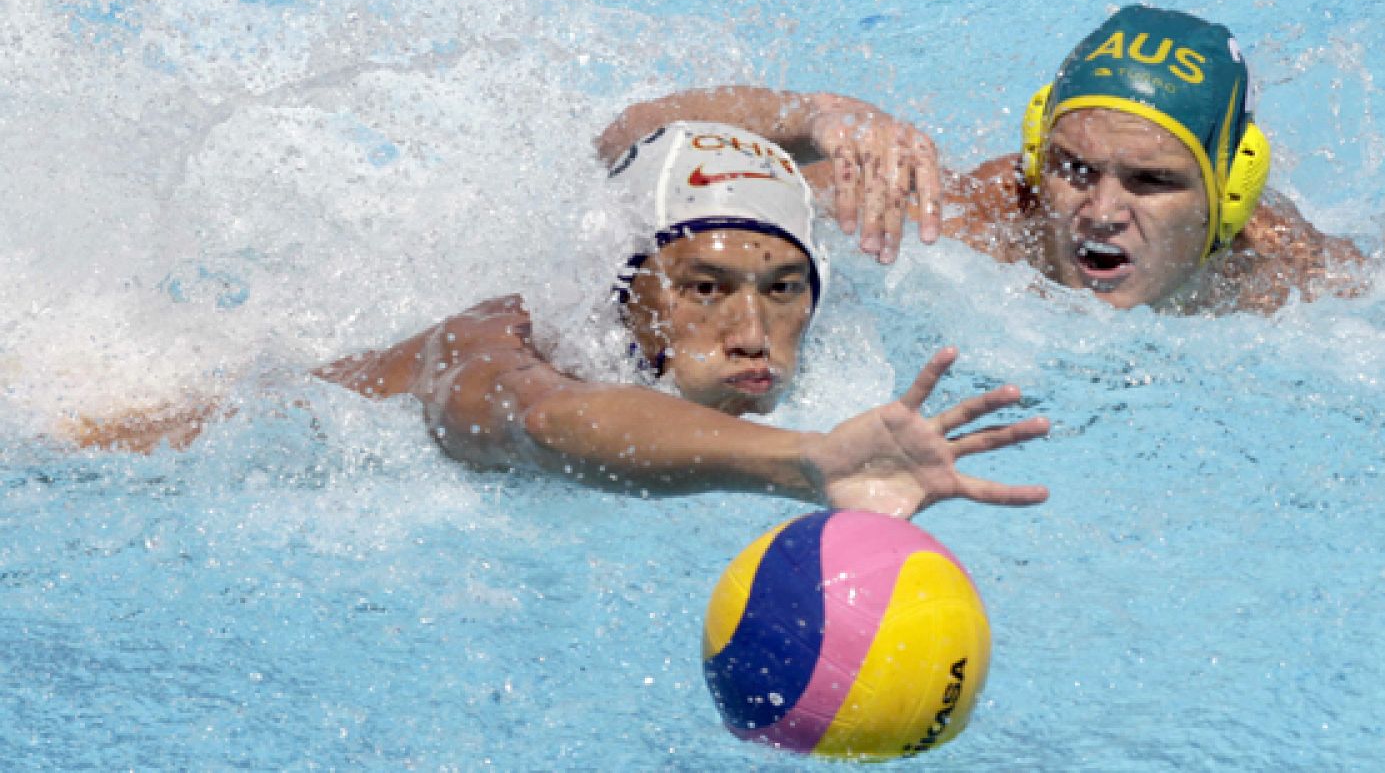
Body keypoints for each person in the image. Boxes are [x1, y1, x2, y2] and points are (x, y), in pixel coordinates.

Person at [73, 122, 1050, 520]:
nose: (753, 329)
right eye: (704, 287)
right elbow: (545, 423)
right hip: (125, 448)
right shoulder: (496, 348)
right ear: (626, 291)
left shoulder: (849, 343)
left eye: (783, 287)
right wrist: (797, 460)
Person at [597, 5, 1365, 314]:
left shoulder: (1292, 276)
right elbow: (623, 147)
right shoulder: (957, 223)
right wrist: (814, 117)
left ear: (1230, 198)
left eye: (1152, 181)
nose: (1101, 211)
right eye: (1073, 169)